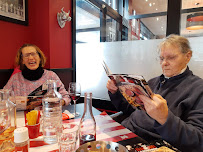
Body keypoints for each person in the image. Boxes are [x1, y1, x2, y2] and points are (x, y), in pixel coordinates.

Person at [106, 34, 203, 152]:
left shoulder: (198, 89)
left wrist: (165, 118)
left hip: (148, 143)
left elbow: (198, 141)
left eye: (171, 57)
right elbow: (131, 110)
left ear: (188, 56)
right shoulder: (153, 82)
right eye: (162, 58)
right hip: (125, 131)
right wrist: (115, 92)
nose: (164, 63)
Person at [4, 43, 71, 110]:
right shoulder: (15, 78)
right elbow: (3, 98)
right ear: (22, 61)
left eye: (33, 54)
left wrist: (58, 103)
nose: (30, 58)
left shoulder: (51, 76)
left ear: (40, 58)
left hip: (47, 116)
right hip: (21, 118)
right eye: (26, 55)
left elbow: (66, 97)